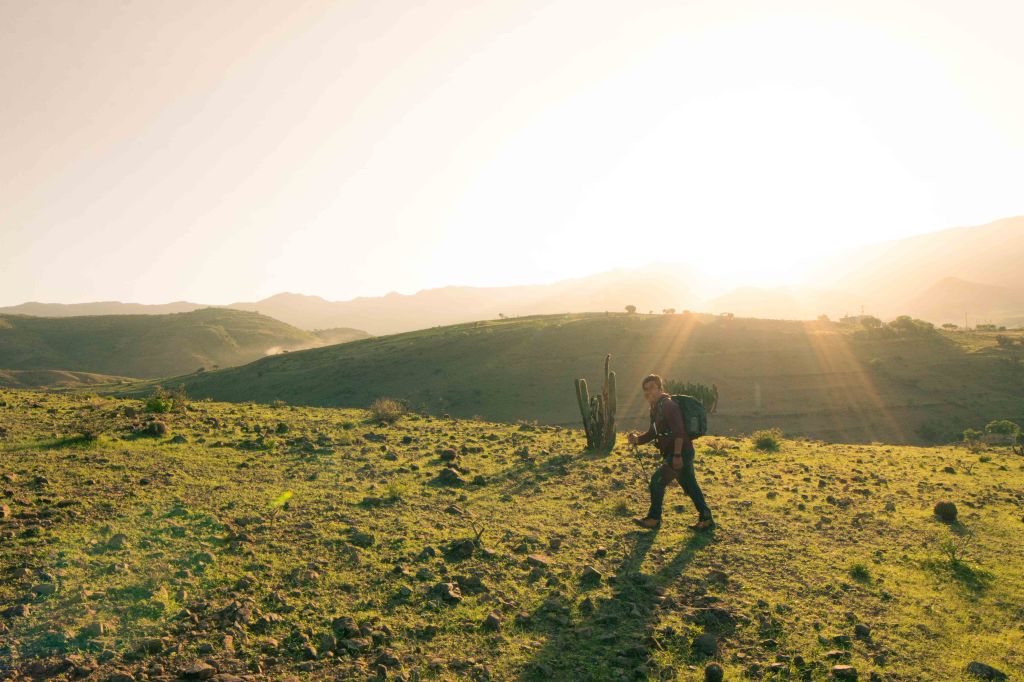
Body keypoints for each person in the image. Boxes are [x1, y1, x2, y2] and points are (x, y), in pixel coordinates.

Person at [627, 373, 714, 530]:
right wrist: (637, 440)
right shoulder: (656, 407)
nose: (648, 391)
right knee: (690, 486)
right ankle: (706, 518)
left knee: (657, 481)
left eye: (652, 387)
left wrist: (677, 455)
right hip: (678, 453)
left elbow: (680, 431)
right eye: (645, 389)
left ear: (660, 388)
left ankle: (654, 519)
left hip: (680, 453)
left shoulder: (668, 405)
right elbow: (653, 433)